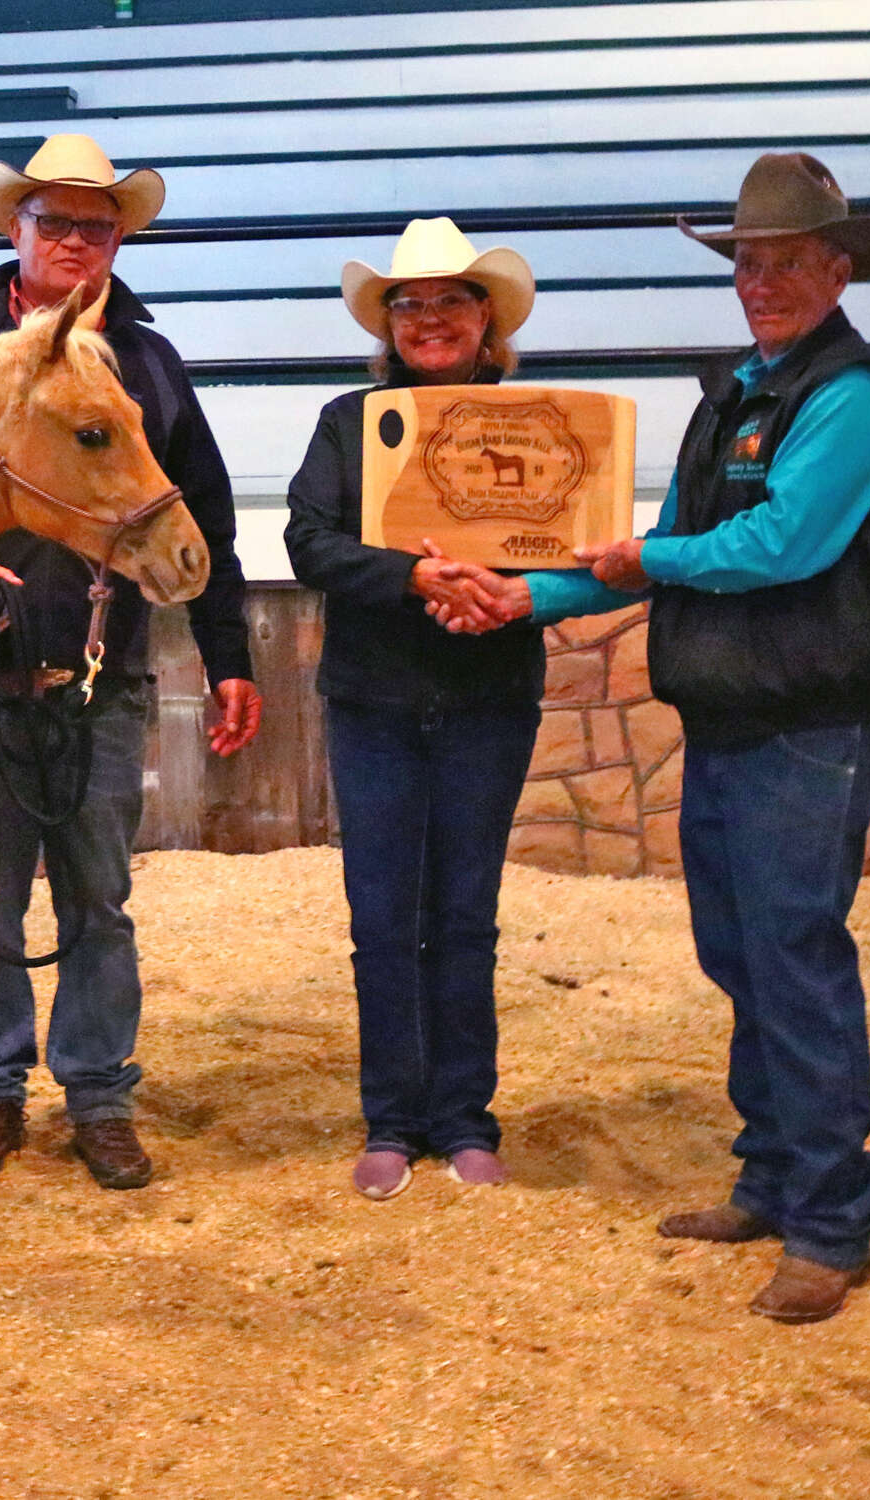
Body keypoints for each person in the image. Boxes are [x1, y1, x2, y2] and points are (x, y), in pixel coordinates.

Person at [438, 153, 870, 1322]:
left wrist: (643, 563)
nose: (760, 282)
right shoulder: (742, 395)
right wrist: (527, 598)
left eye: (786, 262)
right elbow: (657, 544)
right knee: (748, 957)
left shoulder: (851, 397)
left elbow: (782, 546)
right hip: (737, 722)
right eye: (747, 263)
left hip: (807, 724)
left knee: (795, 963)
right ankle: (771, 1179)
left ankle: (829, 1222)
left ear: (837, 265)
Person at [0, 134, 262, 1192]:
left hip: (108, 673)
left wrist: (229, 653)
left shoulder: (150, 362)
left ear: (118, 240)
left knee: (100, 898)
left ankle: (99, 1091)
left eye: (95, 226)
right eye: (55, 222)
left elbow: (196, 506)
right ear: (15, 232)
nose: (75, 241)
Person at [282, 218, 543, 1202]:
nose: (429, 318)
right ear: (389, 324)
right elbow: (309, 541)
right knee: (383, 917)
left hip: (489, 697)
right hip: (376, 703)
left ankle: (465, 1117)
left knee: (465, 915)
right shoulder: (349, 424)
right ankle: (392, 1119)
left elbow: (567, 542)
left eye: (449, 300)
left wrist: (496, 590)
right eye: (411, 303)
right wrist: (415, 578)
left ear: (487, 319)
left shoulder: (541, 424)